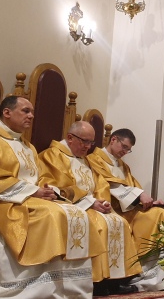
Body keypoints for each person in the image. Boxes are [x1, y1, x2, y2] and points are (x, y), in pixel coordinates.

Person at [0, 96, 103, 297]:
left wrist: (48, 190)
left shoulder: (27, 146)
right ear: (7, 112)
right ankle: (27, 290)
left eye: (32, 112)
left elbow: (40, 177)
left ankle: (64, 288)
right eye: (25, 111)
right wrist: (33, 192)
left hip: (25, 199)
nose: (31, 116)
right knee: (51, 215)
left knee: (75, 213)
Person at [38, 121, 141, 296]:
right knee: (101, 224)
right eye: (84, 141)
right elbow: (59, 186)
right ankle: (96, 281)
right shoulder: (53, 156)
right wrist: (89, 202)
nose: (88, 147)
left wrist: (102, 201)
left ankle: (115, 280)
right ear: (70, 138)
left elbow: (100, 184)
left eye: (91, 142)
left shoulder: (85, 160)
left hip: (91, 205)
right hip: (71, 205)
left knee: (119, 222)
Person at [86, 128, 164, 291]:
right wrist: (140, 196)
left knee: (158, 213)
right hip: (109, 207)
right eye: (124, 147)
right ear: (113, 140)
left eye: (128, 150)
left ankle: (144, 273)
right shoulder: (94, 159)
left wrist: (151, 203)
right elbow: (109, 184)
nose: (124, 152)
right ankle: (128, 274)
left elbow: (134, 188)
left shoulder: (123, 166)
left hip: (128, 208)